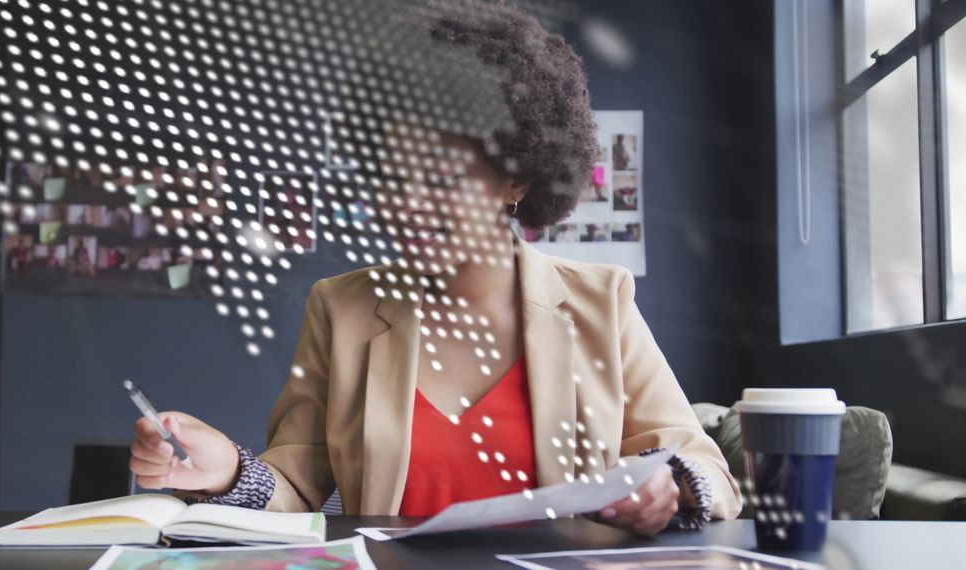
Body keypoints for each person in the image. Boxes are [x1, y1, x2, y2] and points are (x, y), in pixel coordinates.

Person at [129, 0, 741, 536]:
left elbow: (704, 467)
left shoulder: (599, 301)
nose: (406, 203)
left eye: (441, 177)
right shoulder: (340, 309)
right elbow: (296, 482)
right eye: (391, 177)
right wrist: (230, 471)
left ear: (515, 179)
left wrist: (669, 486)